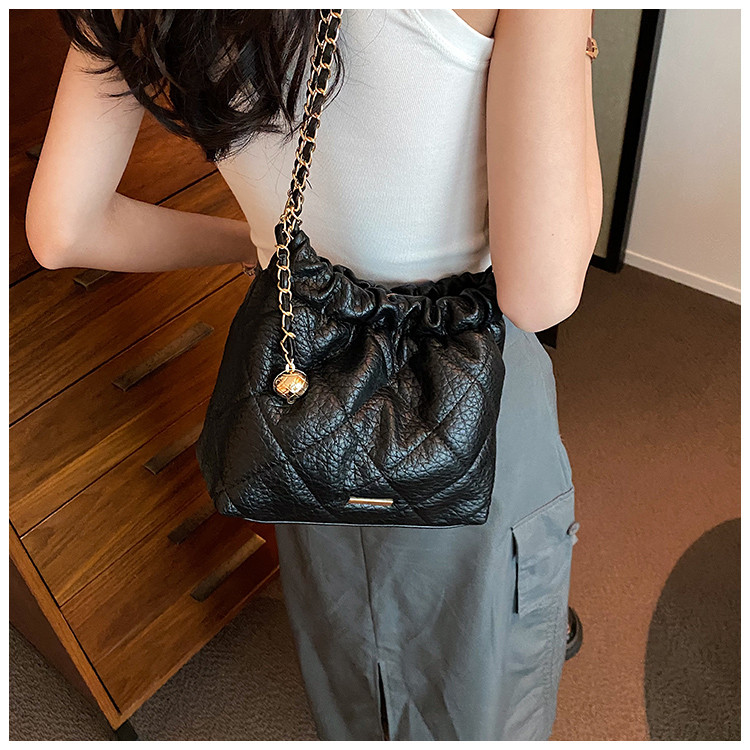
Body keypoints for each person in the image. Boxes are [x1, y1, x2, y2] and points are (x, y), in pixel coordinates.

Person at [26, 9, 602, 741]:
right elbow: (542, 290)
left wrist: (266, 247)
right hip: (469, 382)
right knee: (484, 659)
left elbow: (64, 230)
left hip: (306, 378)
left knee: (349, 627)